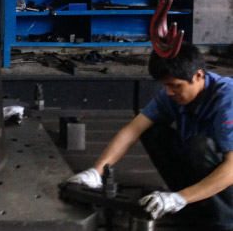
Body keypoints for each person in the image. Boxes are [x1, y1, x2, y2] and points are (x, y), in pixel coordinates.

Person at [66, 43, 233, 230]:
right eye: (165, 85)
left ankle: (226, 220)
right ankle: (192, 204)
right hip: (205, 173)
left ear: (198, 75)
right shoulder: (172, 95)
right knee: (151, 130)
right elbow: (133, 130)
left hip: (228, 176)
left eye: (175, 85)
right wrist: (97, 171)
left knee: (200, 146)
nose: (169, 92)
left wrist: (181, 197)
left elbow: (231, 168)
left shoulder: (227, 98)